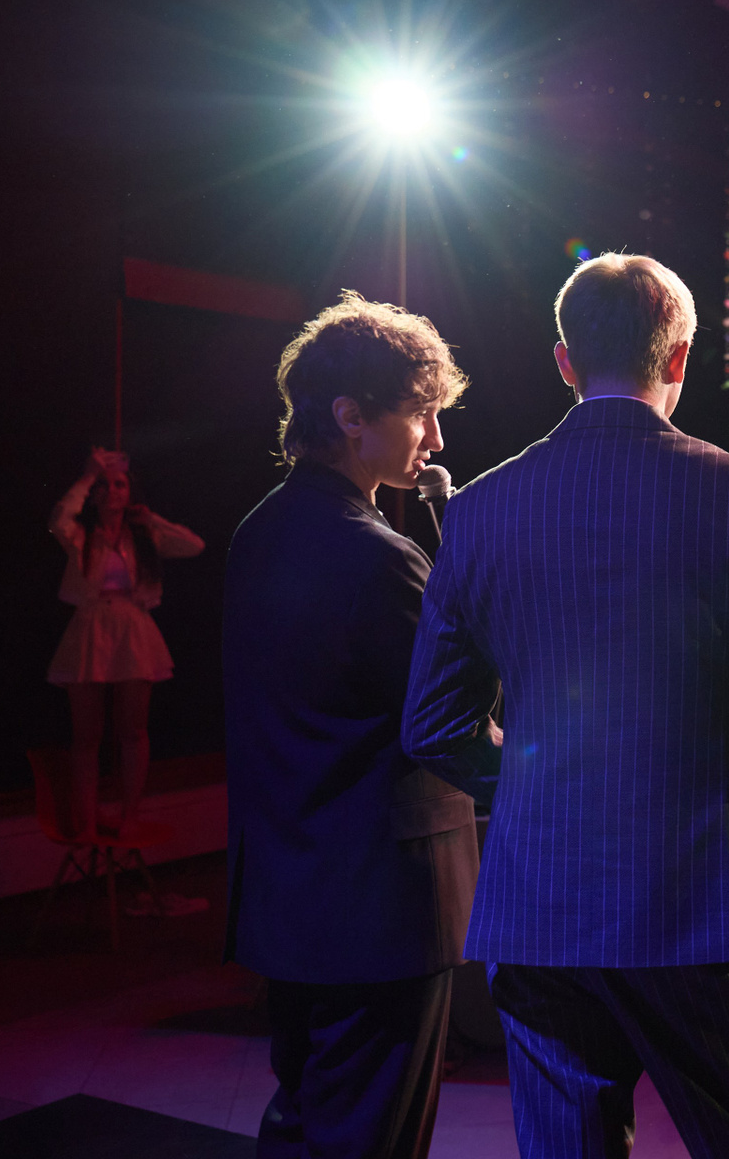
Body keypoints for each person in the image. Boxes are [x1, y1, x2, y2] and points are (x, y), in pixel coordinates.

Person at [402, 253, 729, 1159]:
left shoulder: (480, 509)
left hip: (540, 901)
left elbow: (433, 726)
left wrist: (544, 793)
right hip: (703, 897)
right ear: (679, 357)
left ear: (564, 361)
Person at [223, 292, 494, 1159]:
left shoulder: (257, 533)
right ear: (350, 416)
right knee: (373, 1139)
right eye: (421, 414)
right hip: (382, 912)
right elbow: (449, 717)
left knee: (304, 1121)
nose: (435, 439)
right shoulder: (378, 557)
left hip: (289, 897)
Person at [48, 447, 205, 842]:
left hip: (133, 631)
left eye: (119, 484)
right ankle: (86, 822)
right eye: (104, 486)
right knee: (86, 737)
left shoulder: (143, 536)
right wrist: (87, 476)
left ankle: (130, 815)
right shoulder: (83, 536)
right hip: (90, 629)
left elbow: (194, 545)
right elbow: (59, 521)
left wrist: (149, 517)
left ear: (130, 492)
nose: (112, 491)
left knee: (133, 731)